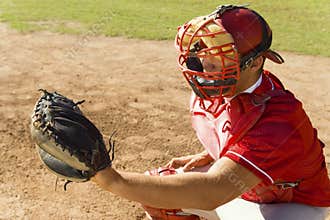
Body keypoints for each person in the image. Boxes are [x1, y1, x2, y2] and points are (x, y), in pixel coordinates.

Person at [92, 5, 330, 220]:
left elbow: (212, 191)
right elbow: (236, 124)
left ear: (255, 63)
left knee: (181, 190)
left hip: (292, 207)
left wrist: (111, 179)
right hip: (250, 189)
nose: (204, 66)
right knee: (160, 193)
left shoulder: (278, 121)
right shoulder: (219, 89)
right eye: (203, 52)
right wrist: (217, 153)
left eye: (218, 59)